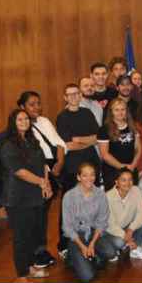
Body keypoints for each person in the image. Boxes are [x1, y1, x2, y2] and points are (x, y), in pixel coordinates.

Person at [0, 109, 52, 281]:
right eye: (20, 119)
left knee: (32, 234)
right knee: (21, 237)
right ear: (13, 123)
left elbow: (43, 164)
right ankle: (21, 274)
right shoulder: (8, 145)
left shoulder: (32, 140)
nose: (24, 122)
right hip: (17, 198)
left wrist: (46, 183)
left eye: (26, 119)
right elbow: (19, 171)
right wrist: (41, 182)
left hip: (35, 195)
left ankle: (30, 267)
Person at [55, 83, 102, 256]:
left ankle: (90, 240)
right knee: (69, 207)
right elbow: (68, 145)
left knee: (92, 204)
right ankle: (65, 244)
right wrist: (86, 141)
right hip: (72, 169)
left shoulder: (87, 113)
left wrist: (79, 139)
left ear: (80, 96)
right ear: (65, 98)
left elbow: (97, 138)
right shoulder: (62, 117)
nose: (74, 97)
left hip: (92, 164)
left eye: (76, 94)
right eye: (70, 94)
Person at [61, 161, 117, 282]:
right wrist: (81, 246)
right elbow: (67, 227)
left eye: (92, 174)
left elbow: (102, 221)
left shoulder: (100, 194)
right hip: (77, 236)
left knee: (111, 253)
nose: (89, 178)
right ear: (78, 177)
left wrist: (92, 243)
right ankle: (72, 256)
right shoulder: (69, 196)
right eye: (85, 175)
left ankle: (90, 255)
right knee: (88, 277)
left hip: (93, 233)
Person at [105, 168, 142, 260]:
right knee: (119, 242)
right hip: (111, 231)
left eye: (130, 179)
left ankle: (135, 250)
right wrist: (126, 237)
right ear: (116, 182)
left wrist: (131, 229)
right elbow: (111, 225)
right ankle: (124, 244)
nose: (128, 183)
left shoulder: (136, 190)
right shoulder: (108, 196)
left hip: (127, 227)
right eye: (123, 180)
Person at [98, 98, 140, 190]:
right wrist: (123, 167)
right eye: (116, 110)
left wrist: (133, 165)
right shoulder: (104, 129)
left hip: (131, 170)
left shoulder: (133, 126)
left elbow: (138, 148)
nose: (120, 112)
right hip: (112, 172)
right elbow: (105, 155)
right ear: (111, 111)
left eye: (123, 109)